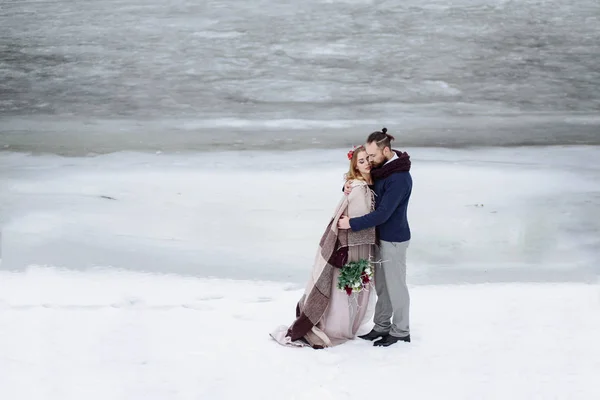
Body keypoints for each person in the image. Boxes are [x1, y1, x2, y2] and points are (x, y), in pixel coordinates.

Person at [271, 146, 378, 349]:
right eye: (361, 161)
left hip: (360, 245)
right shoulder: (358, 188)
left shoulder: (365, 184)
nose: (366, 163)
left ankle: (345, 325)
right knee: (346, 286)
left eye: (368, 159)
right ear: (355, 165)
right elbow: (350, 219)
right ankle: (336, 326)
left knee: (353, 286)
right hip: (352, 245)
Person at [338, 127, 413, 347]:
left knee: (396, 286)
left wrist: (351, 224)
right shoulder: (383, 170)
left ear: (386, 151)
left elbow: (382, 214)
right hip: (380, 237)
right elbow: (366, 184)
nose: (369, 160)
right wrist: (347, 185)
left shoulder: (399, 178)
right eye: (367, 156)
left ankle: (401, 330)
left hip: (394, 239)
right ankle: (381, 326)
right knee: (382, 285)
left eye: (372, 156)